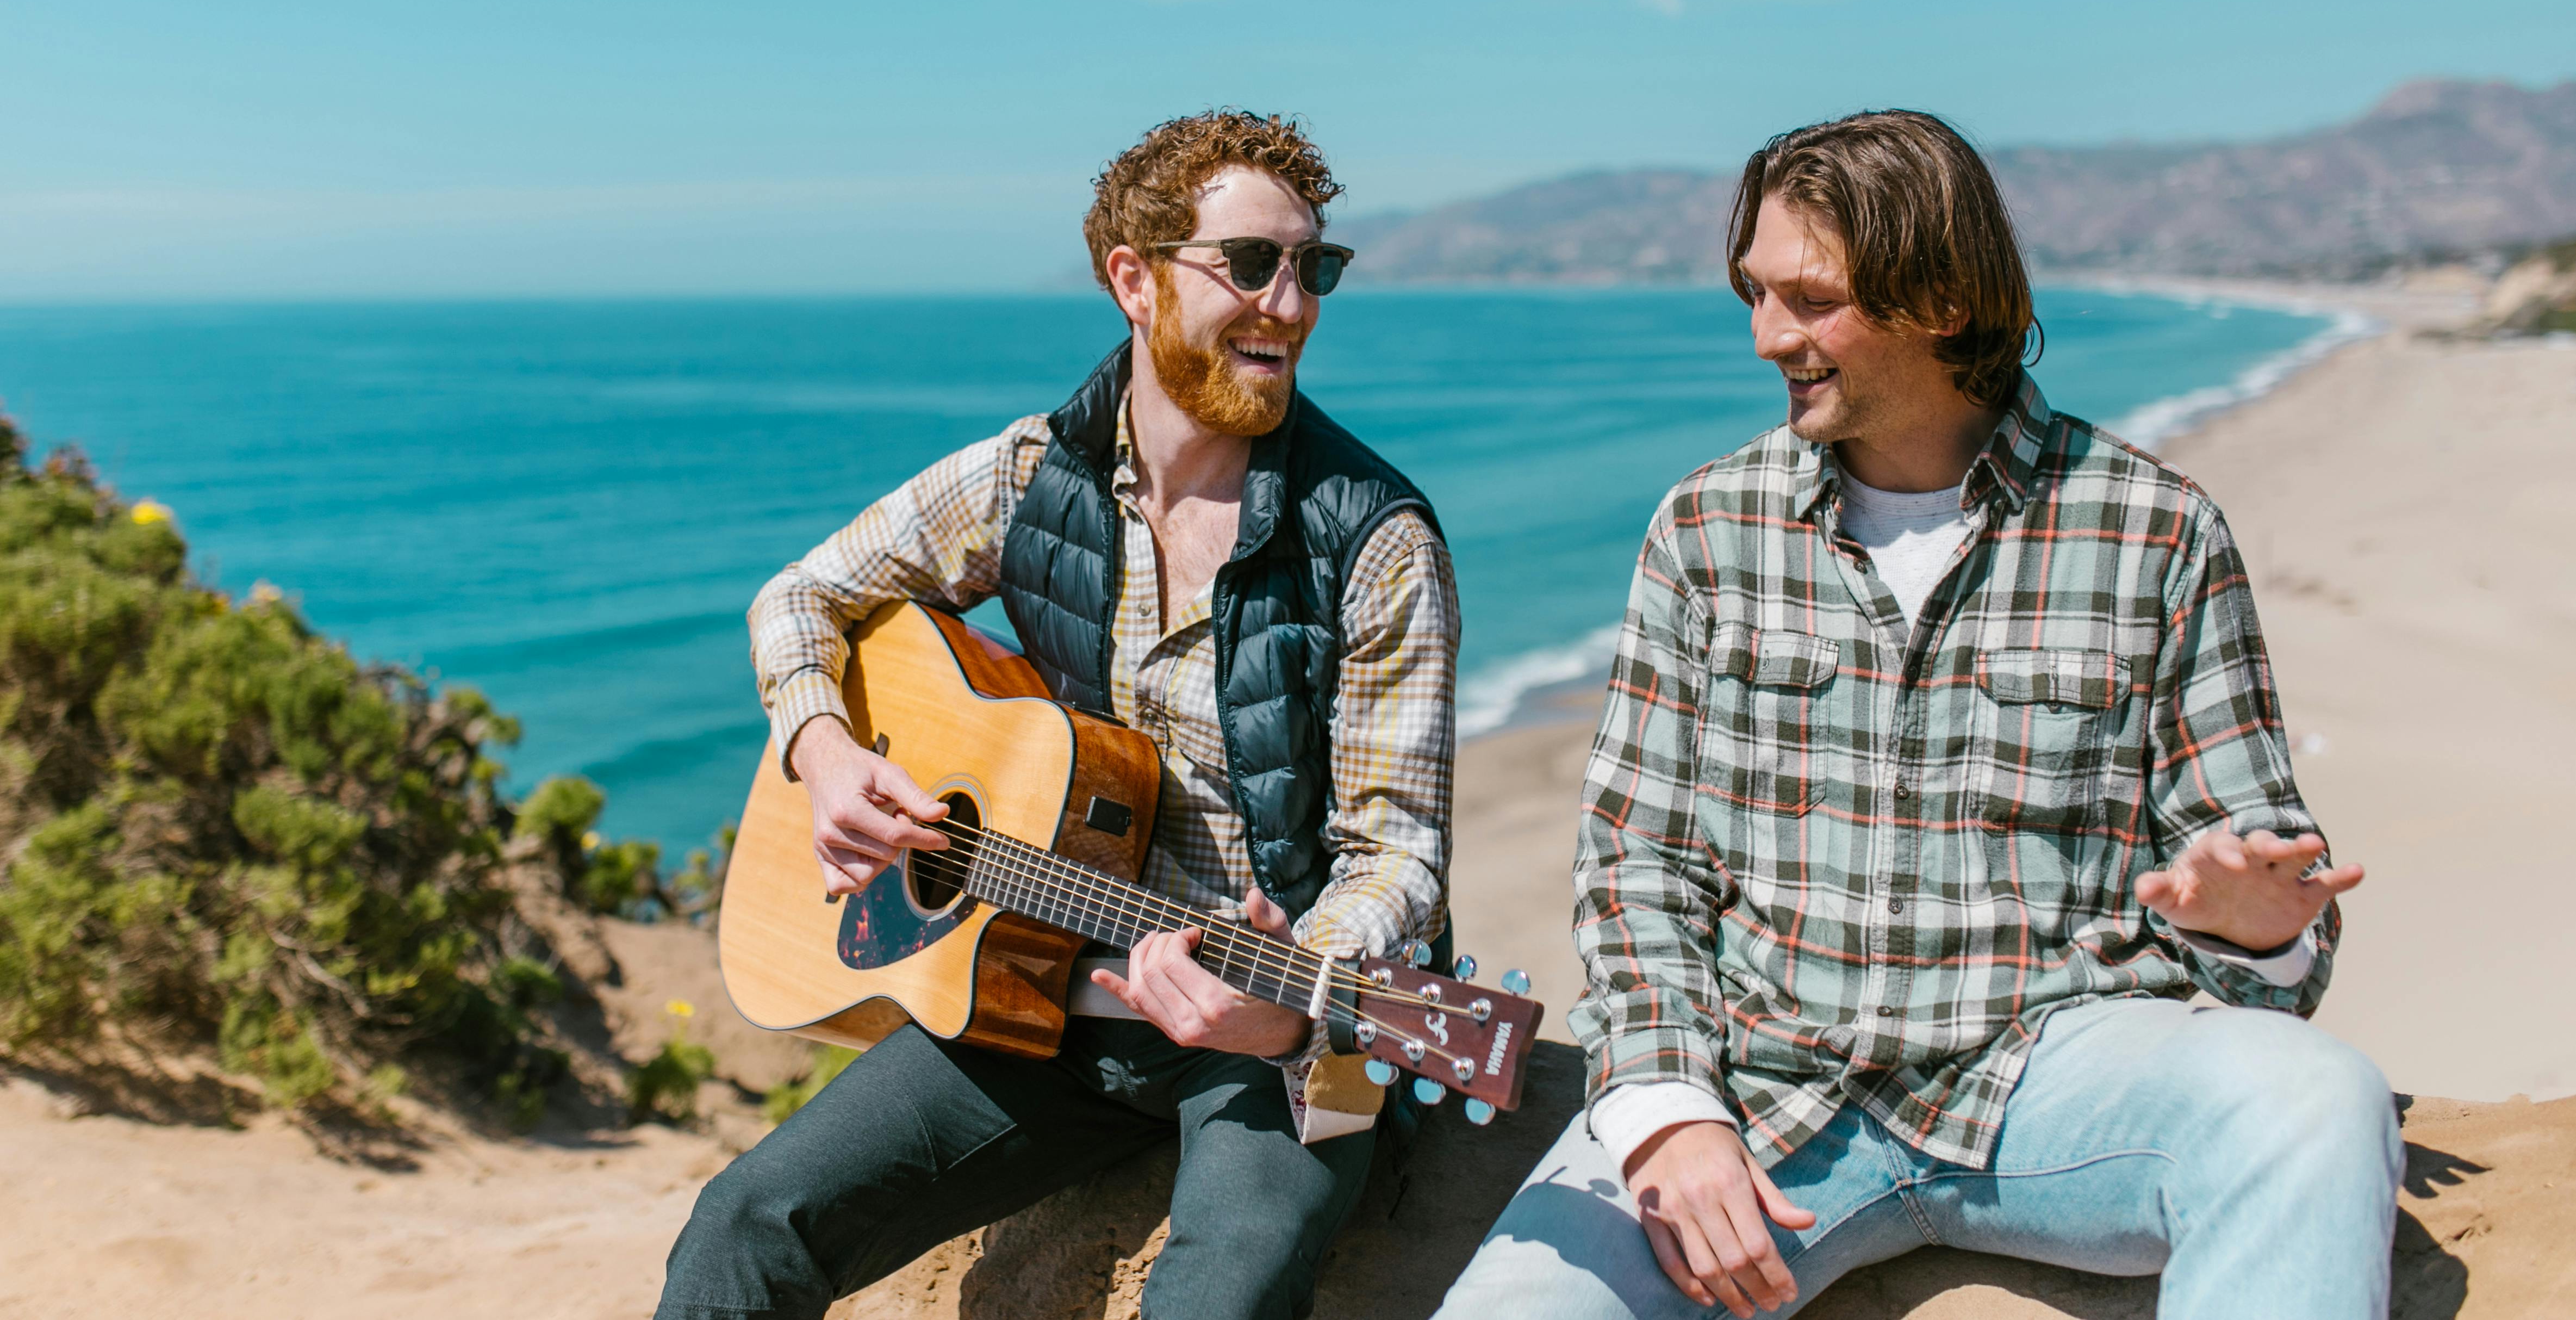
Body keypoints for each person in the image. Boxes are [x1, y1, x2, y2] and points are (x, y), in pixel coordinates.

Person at [1435, 110, 2400, 1320]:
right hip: (1758, 1091)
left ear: (1940, 296)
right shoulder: (1704, 530)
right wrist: (1666, 1113)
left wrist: (2260, 927)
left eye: (1806, 298)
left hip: (2050, 1079)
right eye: (1752, 293)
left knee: (2317, 1097)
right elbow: (1635, 866)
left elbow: (2263, 904)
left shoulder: (2154, 530)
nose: (1764, 336)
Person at [656, 111, 1460, 1320]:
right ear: (1132, 280)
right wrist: (822, 750)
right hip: (1040, 993)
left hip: (1282, 1030)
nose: (1288, 305)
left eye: (1314, 268)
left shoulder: (1376, 541)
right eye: (1250, 263)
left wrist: (1294, 986)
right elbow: (801, 599)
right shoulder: (1028, 477)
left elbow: (1399, 851)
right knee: (742, 1224)